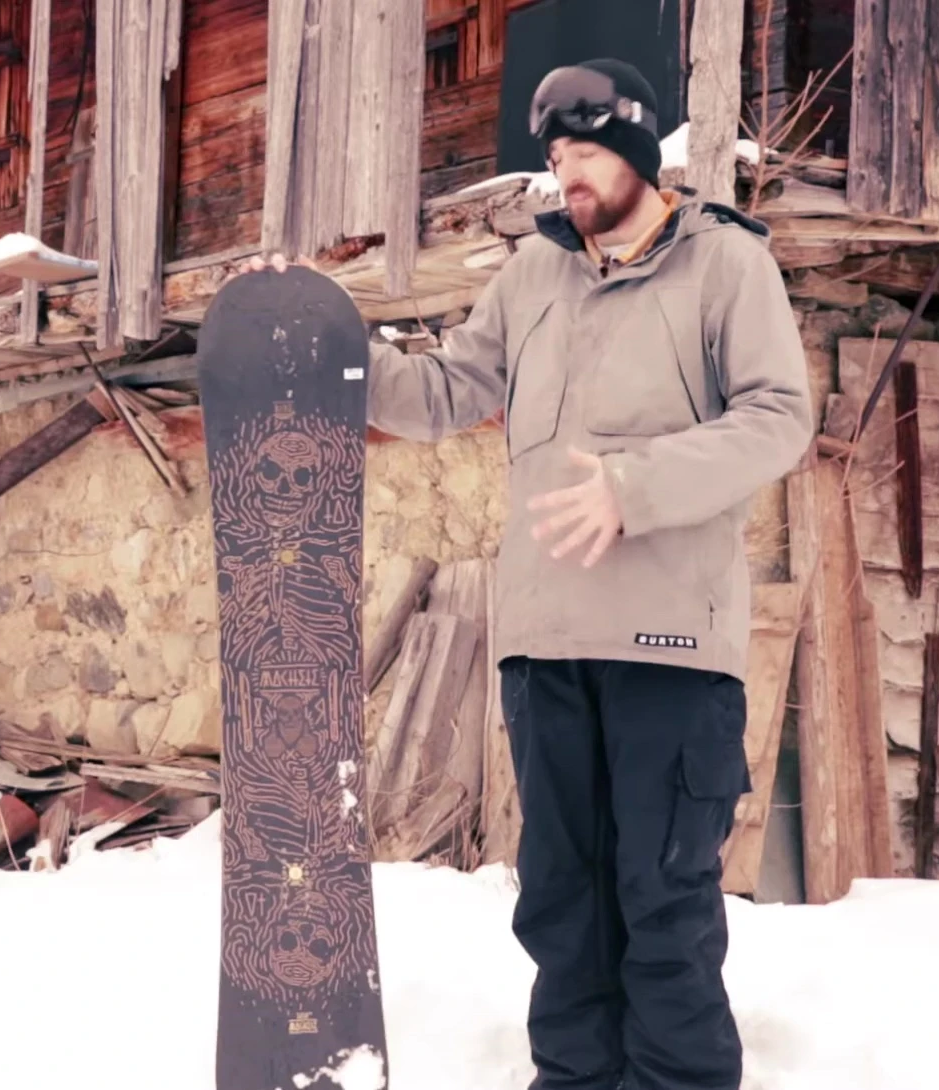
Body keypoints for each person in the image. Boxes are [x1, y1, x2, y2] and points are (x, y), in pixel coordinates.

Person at [238, 59, 814, 1090]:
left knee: (664, 908)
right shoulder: (533, 276)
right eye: (555, 160)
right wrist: (324, 337)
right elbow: (454, 386)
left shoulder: (725, 264)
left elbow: (779, 418)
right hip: (544, 648)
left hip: (670, 651)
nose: (568, 176)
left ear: (638, 149)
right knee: (559, 902)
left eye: (586, 153)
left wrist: (633, 489)